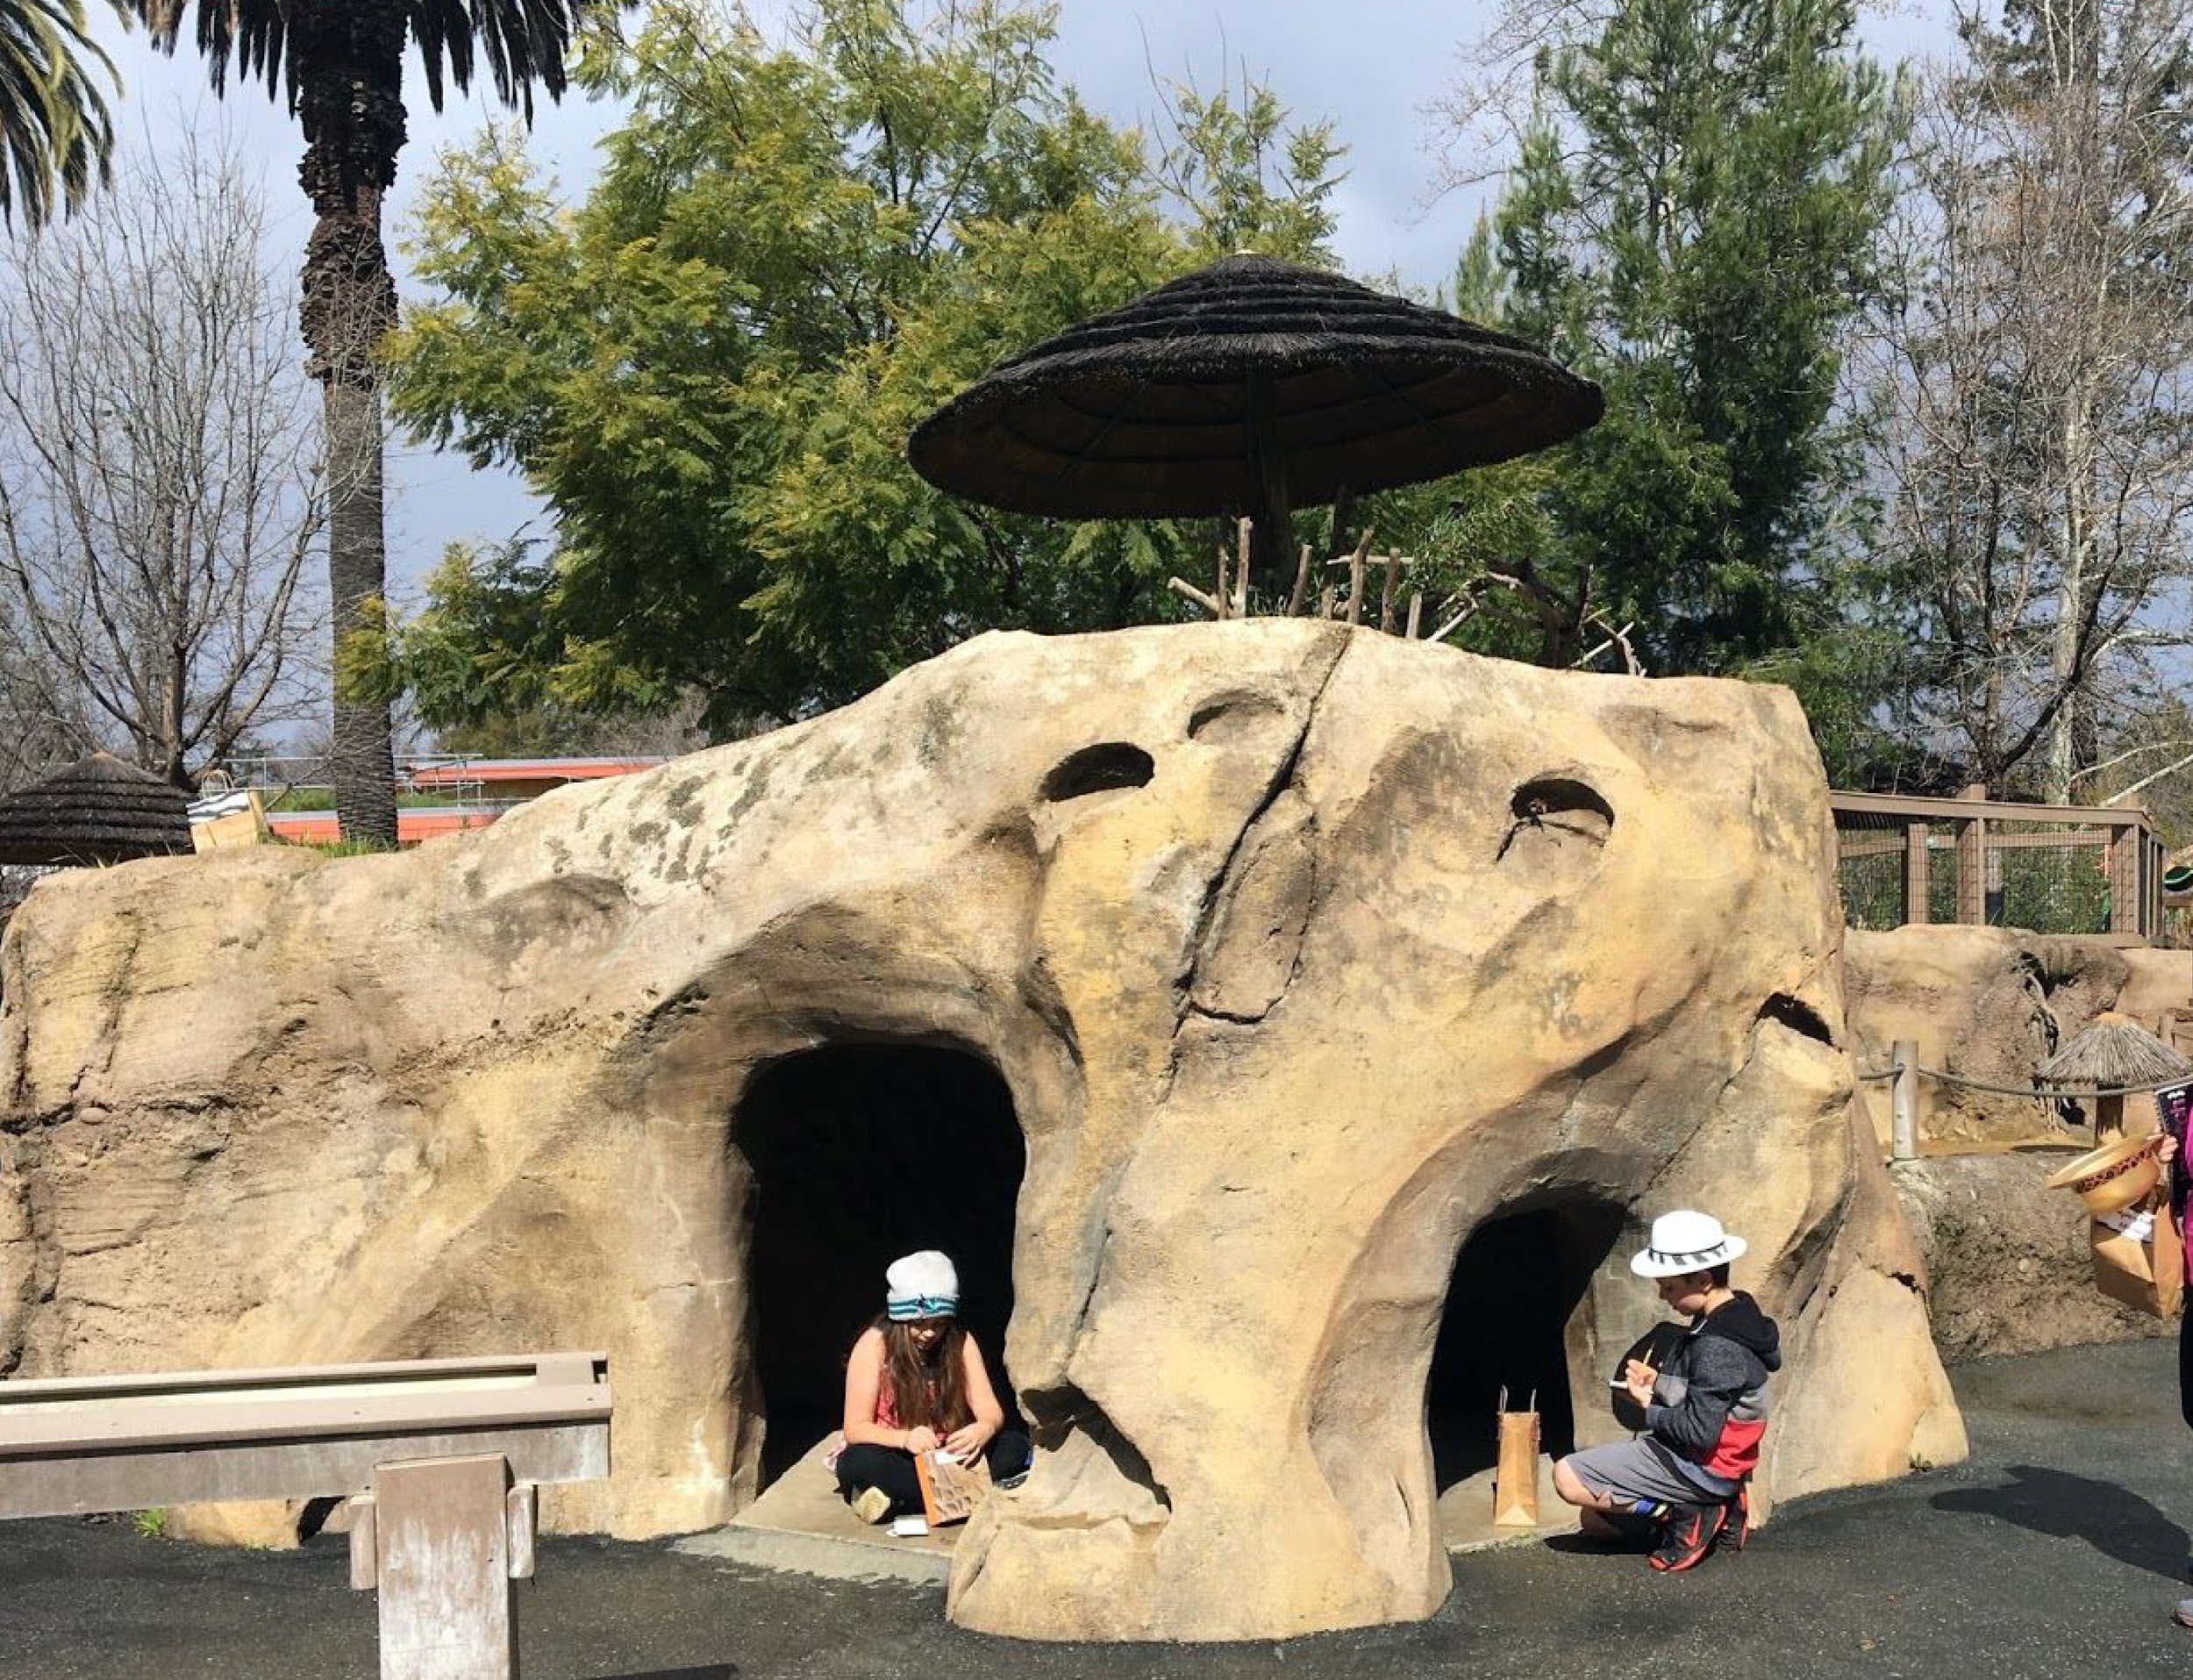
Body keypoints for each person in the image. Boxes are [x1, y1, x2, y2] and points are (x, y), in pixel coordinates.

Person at [1550, 1210, 1781, 1572]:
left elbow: (1701, 1433)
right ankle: (1705, 1505)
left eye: (1670, 1287)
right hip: (1720, 1466)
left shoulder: (1716, 1344)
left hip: (1701, 1465)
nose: (1663, 1296)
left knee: (1567, 1477)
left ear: (1703, 1280)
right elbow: (1715, 1396)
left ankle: (1685, 1511)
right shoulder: (1740, 1315)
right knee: (1592, 1520)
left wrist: (1648, 1408)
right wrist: (1657, 1383)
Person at [833, 1250, 1032, 1524]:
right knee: (858, 1462)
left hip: (948, 1454)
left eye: (938, 1325)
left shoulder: (961, 1342)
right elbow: (855, 1428)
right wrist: (905, 1439)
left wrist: (982, 1429)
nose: (929, 1333)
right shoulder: (873, 1345)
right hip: (897, 1452)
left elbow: (991, 1411)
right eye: (918, 1325)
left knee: (1014, 1446)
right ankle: (975, 1492)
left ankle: (898, 1500)